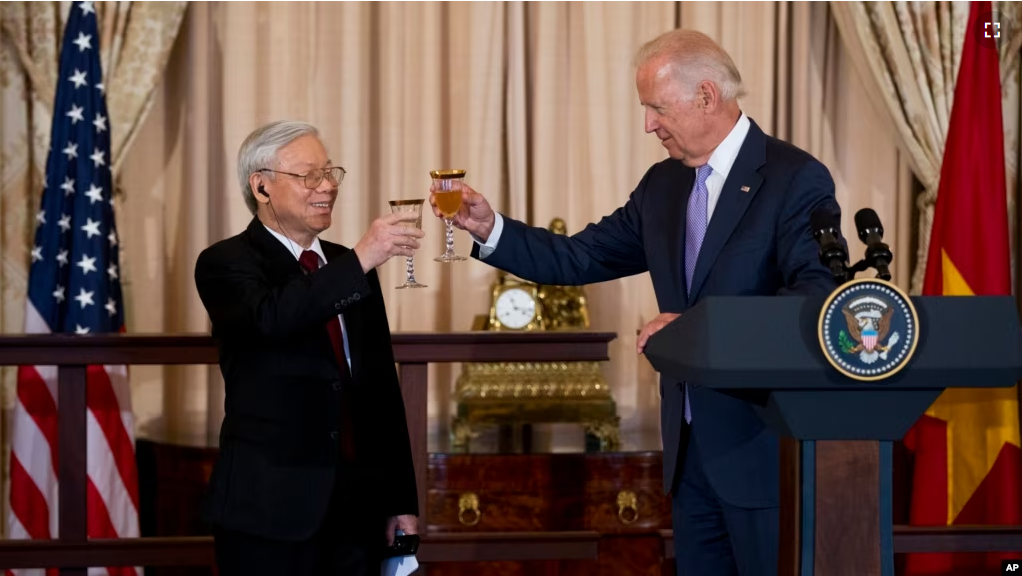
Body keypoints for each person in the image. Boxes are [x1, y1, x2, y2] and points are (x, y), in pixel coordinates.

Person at [430, 30, 842, 576]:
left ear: (706, 97)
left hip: (761, 455)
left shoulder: (794, 179)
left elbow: (813, 302)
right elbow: (578, 258)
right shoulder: (663, 186)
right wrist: (492, 230)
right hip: (688, 461)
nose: (648, 124)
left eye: (656, 107)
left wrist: (702, 329)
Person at [195, 120, 423, 576]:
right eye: (309, 176)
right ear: (261, 186)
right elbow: (271, 318)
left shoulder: (346, 263)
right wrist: (362, 258)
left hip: (357, 512)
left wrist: (401, 500)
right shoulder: (225, 262)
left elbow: (379, 387)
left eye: (330, 173)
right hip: (268, 515)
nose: (327, 187)